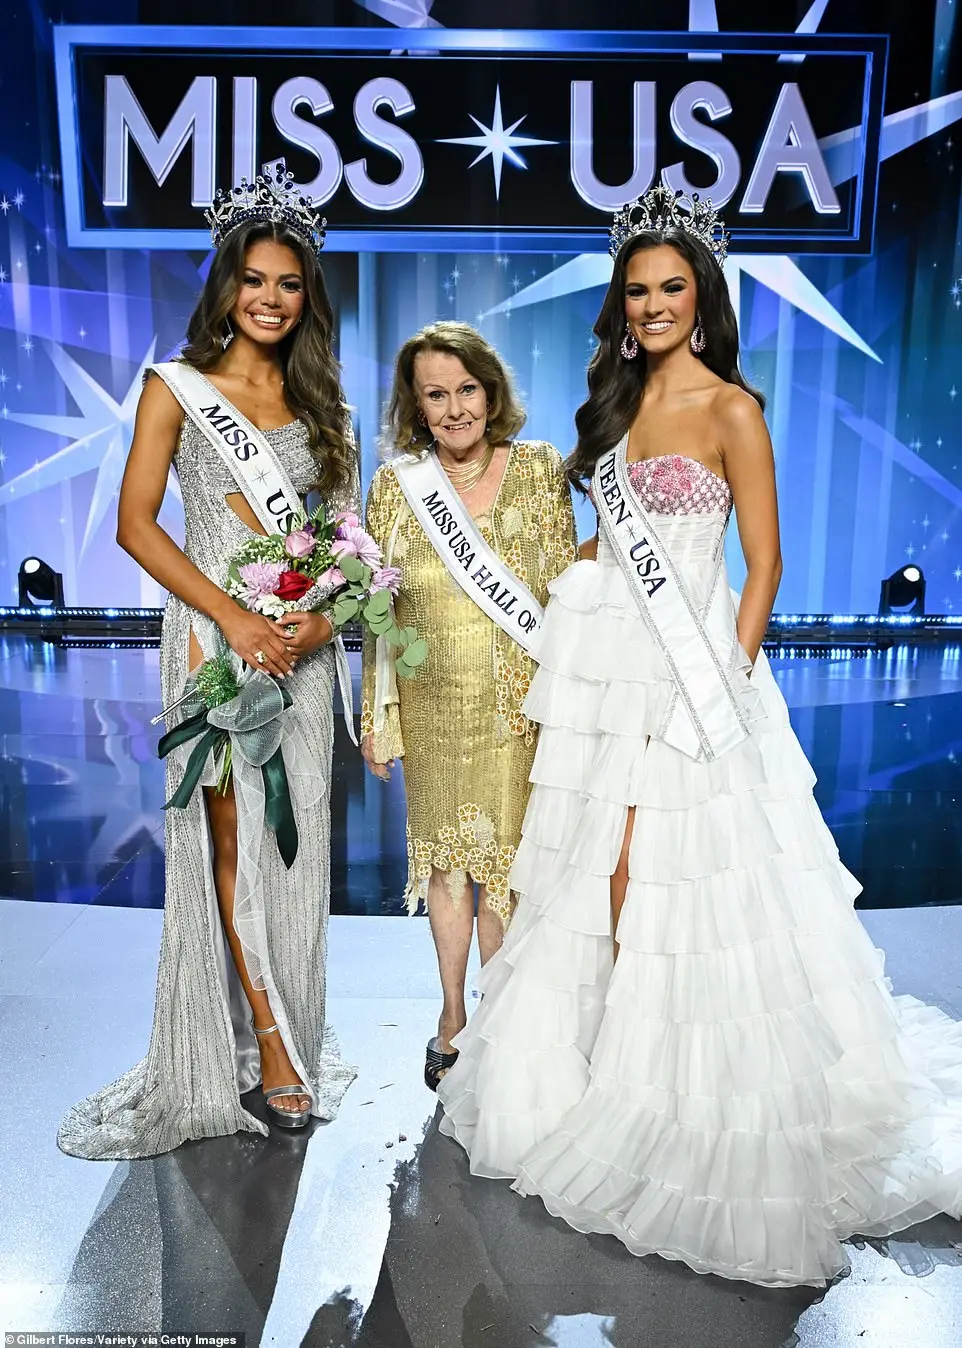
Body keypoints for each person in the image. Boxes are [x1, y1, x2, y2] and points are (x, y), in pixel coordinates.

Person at [438, 187, 962, 1287]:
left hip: (699, 680)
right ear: (621, 308)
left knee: (683, 883)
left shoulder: (731, 409)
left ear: (701, 297)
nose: (652, 305)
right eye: (636, 291)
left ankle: (679, 1084)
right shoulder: (619, 408)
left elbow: (761, 565)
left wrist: (717, 682)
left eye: (671, 287)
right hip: (617, 677)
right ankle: (622, 1070)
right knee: (607, 877)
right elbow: (598, 551)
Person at [58, 162, 358, 1157]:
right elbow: (138, 526)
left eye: (288, 283)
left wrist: (316, 626)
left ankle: (286, 1022)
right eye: (254, 279)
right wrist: (232, 616)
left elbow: (342, 542)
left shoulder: (321, 403)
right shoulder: (174, 389)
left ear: (306, 296)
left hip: (299, 647)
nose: (269, 299)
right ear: (224, 282)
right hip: (213, 639)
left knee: (294, 847)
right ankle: (268, 1051)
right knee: (232, 848)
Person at [361, 321, 576, 1090]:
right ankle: (452, 1015)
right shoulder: (395, 485)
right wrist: (377, 717)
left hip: (520, 709)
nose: (454, 409)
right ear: (416, 407)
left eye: (466, 390)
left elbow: (565, 600)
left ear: (490, 392)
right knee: (449, 869)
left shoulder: (542, 469)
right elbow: (377, 612)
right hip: (432, 707)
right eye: (435, 395)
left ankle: (501, 1017)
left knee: (509, 872)